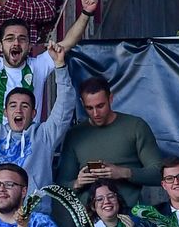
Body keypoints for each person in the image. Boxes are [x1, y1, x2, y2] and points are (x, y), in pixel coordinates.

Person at [58, 77, 165, 208]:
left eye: (100, 106)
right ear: (81, 103)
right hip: (89, 216)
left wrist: (123, 173)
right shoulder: (74, 135)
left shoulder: (135, 127)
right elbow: (60, 185)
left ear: (111, 98)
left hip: (129, 213)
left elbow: (159, 174)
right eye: (89, 108)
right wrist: (77, 183)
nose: (95, 113)